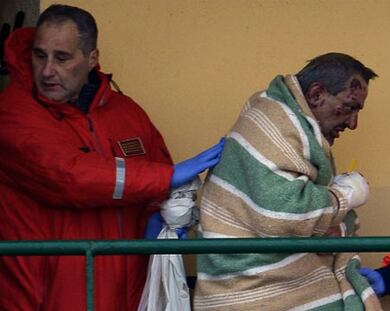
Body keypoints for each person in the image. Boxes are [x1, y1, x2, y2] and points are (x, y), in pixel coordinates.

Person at [0, 4, 223, 311]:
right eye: (40, 56)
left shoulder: (126, 113)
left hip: (127, 295)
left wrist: (164, 217)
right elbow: (68, 175)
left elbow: (155, 186)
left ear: (92, 59)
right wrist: (166, 176)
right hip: (47, 299)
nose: (48, 70)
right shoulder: (14, 110)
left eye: (61, 57)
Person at [194, 53, 381, 310]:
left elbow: (314, 220)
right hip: (253, 291)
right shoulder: (270, 124)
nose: (353, 123)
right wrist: (344, 195)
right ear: (316, 94)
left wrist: (336, 225)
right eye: (349, 107)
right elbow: (283, 215)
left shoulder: (297, 129)